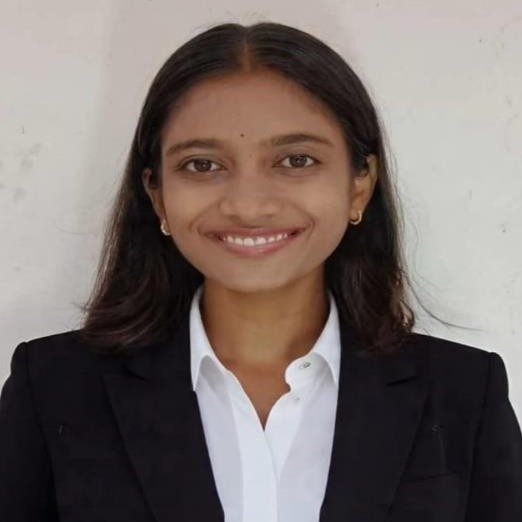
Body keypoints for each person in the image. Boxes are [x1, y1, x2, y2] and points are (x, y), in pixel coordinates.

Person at [0, 21, 521, 522]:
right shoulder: (53, 390)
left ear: (360, 183)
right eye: (202, 164)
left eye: (296, 160)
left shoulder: (463, 394)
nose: (248, 206)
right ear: (157, 194)